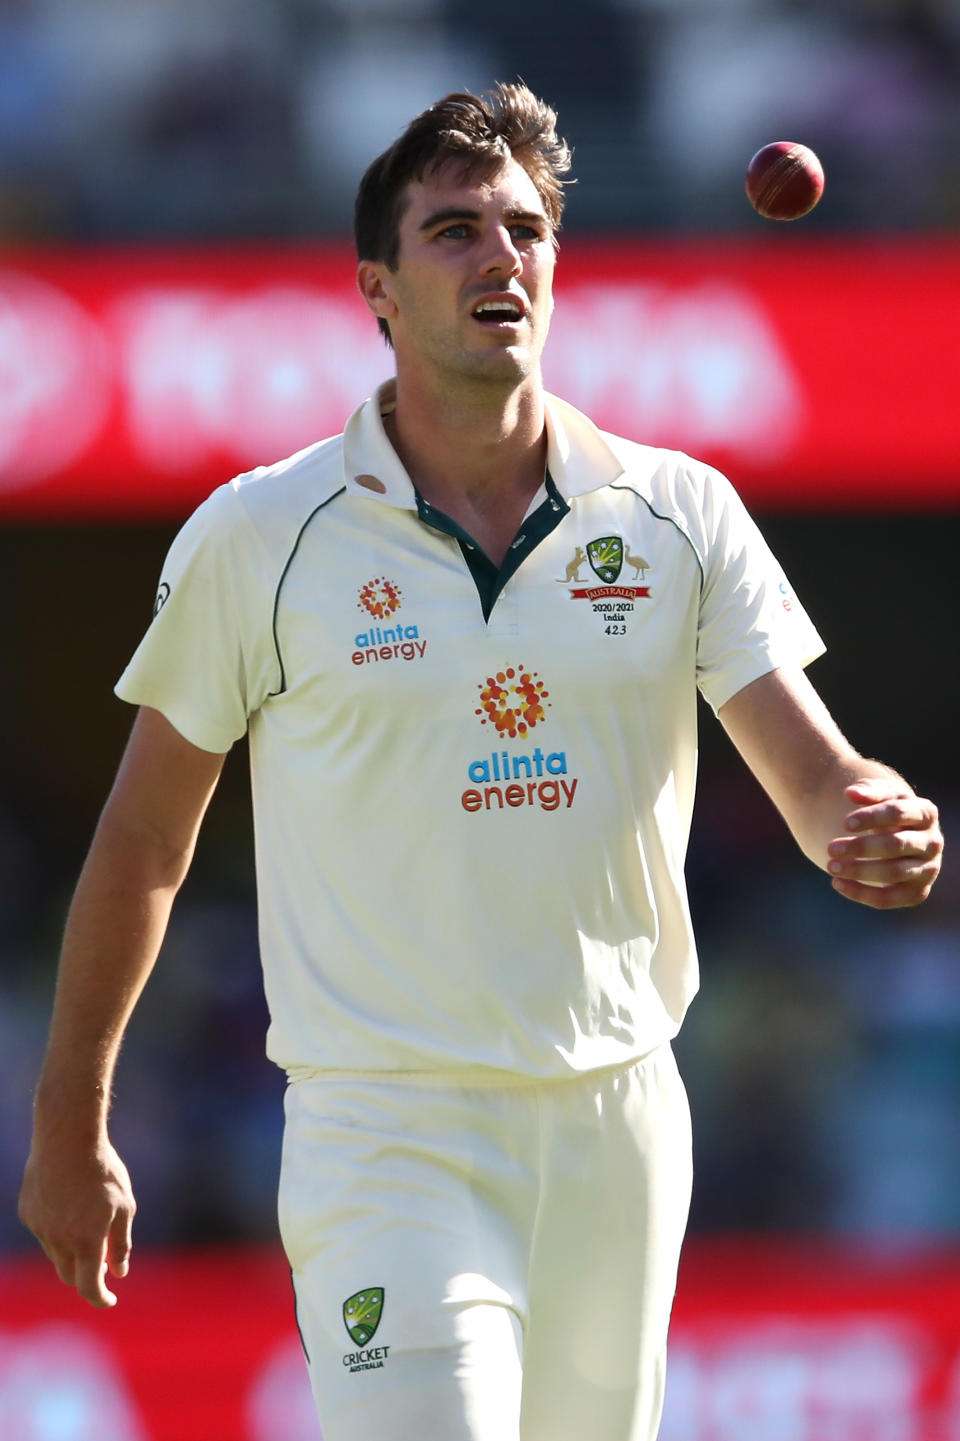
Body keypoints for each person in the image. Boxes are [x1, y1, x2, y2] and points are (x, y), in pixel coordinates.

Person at [19, 82, 942, 1441]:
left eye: (524, 229)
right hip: (387, 1130)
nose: (499, 256)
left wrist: (874, 818)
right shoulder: (262, 534)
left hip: (621, 1118)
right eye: (454, 231)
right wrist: (70, 1115)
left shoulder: (678, 511)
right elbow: (145, 843)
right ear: (377, 291)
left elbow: (814, 774)